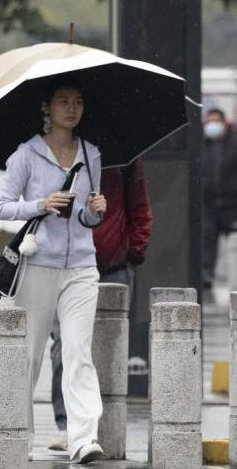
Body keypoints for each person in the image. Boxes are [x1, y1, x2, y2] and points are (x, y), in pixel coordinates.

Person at [0, 78, 106, 464]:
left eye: (77, 101)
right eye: (63, 101)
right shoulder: (26, 155)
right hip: (37, 263)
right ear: (48, 108)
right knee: (31, 355)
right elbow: (3, 207)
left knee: (78, 352)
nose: (71, 109)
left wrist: (95, 211)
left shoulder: (91, 154)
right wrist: (41, 203)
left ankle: (83, 438)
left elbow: (87, 216)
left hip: (81, 267)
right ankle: (18, 436)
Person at [47, 160, 152, 451]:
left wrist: (133, 251)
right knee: (65, 346)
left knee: (107, 347)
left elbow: (140, 208)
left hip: (114, 265)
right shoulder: (57, 154)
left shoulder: (126, 161)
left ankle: (99, 427)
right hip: (66, 264)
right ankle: (68, 425)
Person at [202, 108, 237, 289]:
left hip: (232, 205)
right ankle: (206, 277)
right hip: (208, 204)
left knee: (236, 243)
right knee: (207, 241)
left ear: (223, 123)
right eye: (209, 121)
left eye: (216, 121)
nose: (212, 125)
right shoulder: (200, 146)